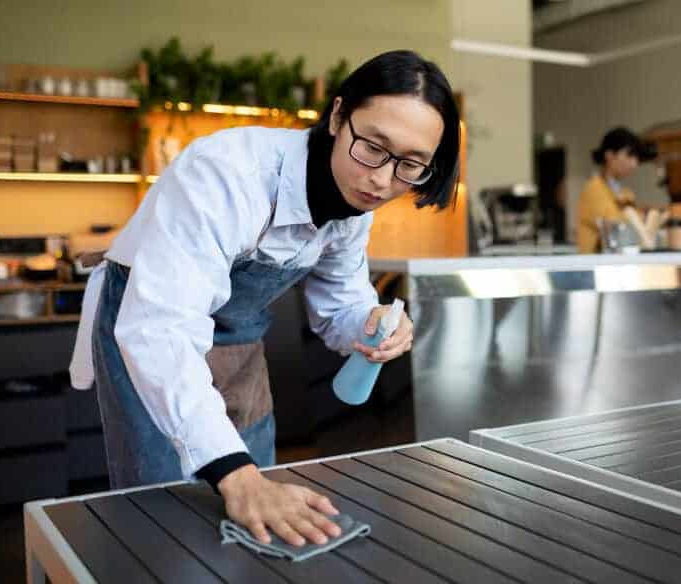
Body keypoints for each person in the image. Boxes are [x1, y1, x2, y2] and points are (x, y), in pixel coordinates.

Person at [68, 50, 460, 547]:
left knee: (250, 526)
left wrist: (371, 323)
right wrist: (236, 473)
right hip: (150, 337)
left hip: (241, 346)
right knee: (165, 521)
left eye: (410, 165)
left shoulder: (354, 206)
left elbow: (339, 309)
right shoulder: (228, 174)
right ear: (338, 116)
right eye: (373, 148)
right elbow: (158, 328)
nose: (383, 180)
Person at [575, 127, 645, 253]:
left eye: (637, 158)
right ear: (609, 155)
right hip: (594, 265)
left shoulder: (626, 193)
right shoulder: (593, 188)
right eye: (629, 155)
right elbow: (615, 226)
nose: (635, 163)